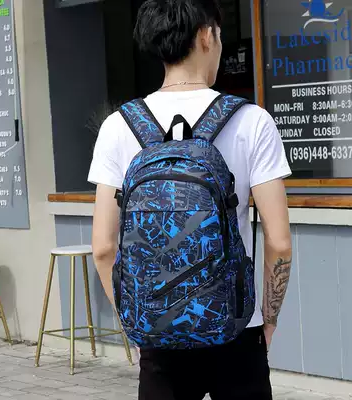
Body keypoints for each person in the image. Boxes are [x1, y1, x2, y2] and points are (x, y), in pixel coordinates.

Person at [88, 0, 292, 399]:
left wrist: (137, 322)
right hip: (235, 327)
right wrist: (268, 320)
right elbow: (279, 242)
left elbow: (103, 248)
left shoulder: (118, 126)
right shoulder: (251, 121)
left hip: (158, 335)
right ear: (205, 35)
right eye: (220, 35)